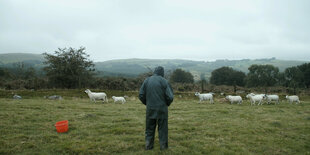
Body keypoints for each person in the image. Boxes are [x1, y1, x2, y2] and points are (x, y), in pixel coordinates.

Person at [139, 66, 174, 150]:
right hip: (162, 109)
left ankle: (148, 146)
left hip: (150, 109)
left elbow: (141, 95)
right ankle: (163, 147)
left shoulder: (147, 80)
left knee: (149, 129)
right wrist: (166, 104)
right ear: (162, 73)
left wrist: (147, 103)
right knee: (163, 129)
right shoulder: (164, 81)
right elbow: (170, 97)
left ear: (154, 71)